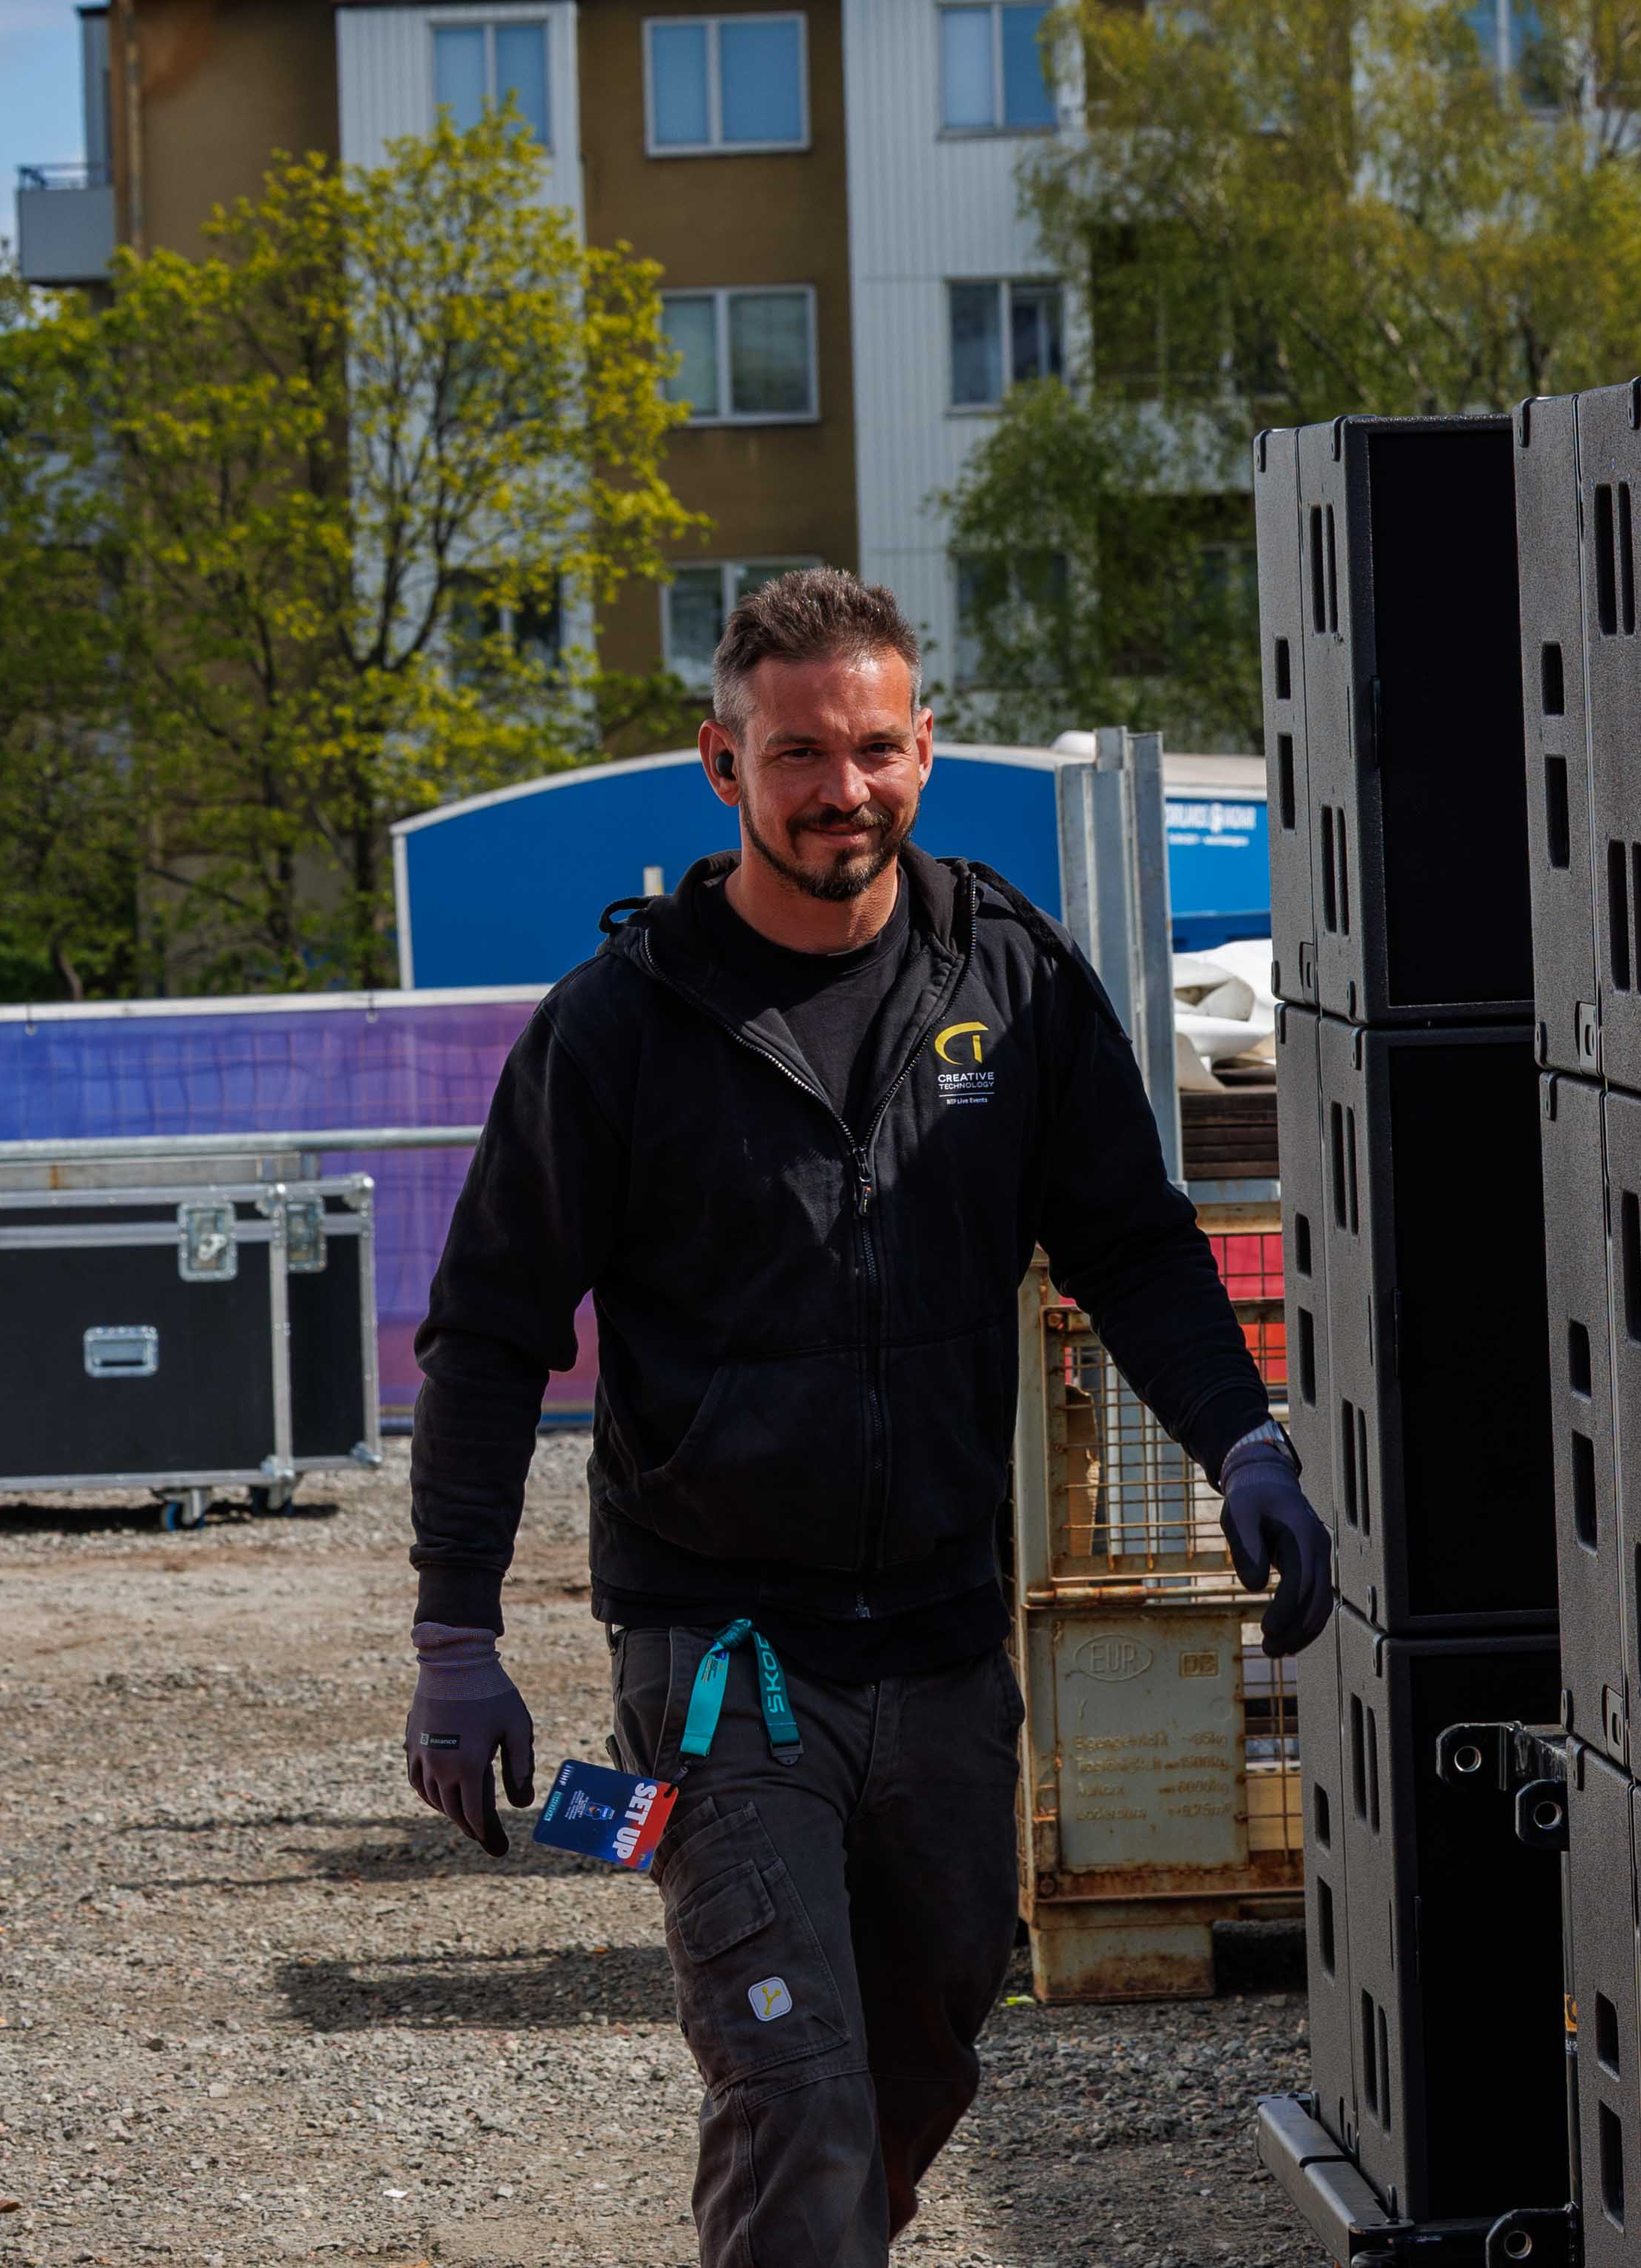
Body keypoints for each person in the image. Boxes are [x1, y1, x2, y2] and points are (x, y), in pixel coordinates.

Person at [399, 567, 1333, 2265]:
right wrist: (455, 1634)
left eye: (876, 748)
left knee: (916, 2062)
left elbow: (1132, 1246)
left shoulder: (1010, 981)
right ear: (723, 763)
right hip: (722, 1653)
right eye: (800, 754)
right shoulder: (620, 1028)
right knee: (798, 2092)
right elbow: (486, 1333)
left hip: (945, 1643)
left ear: (926, 748)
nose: (844, 788)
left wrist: (1243, 1442)